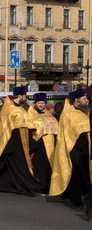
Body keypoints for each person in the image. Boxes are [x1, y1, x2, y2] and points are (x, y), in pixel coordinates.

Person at [49, 89, 91, 218]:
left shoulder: (85, 111)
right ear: (77, 100)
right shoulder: (68, 114)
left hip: (86, 148)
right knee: (77, 173)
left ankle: (86, 197)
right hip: (75, 148)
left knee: (86, 173)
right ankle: (77, 197)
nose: (87, 101)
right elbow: (68, 134)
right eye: (85, 99)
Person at [28, 92, 59, 193]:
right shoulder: (30, 113)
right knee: (39, 165)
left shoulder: (48, 114)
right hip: (39, 143)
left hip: (50, 143)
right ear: (35, 103)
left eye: (42, 103)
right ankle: (38, 184)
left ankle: (48, 185)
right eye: (39, 103)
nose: (41, 105)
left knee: (48, 164)